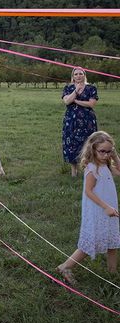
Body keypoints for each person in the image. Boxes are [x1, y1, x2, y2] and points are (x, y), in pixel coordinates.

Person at [57, 131, 120, 285]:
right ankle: (65, 266)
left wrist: (115, 157)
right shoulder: (92, 168)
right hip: (99, 209)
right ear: (93, 149)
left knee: (113, 240)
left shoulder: (106, 164)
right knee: (92, 240)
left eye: (109, 151)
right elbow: (88, 191)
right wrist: (106, 207)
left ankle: (113, 273)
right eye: (102, 151)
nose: (106, 154)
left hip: (109, 208)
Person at [62, 67, 98, 178]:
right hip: (71, 121)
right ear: (73, 76)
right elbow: (67, 101)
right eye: (76, 74)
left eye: (80, 73)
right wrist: (75, 91)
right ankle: (74, 171)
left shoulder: (91, 88)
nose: (78, 76)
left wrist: (76, 101)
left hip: (87, 121)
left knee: (88, 144)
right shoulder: (68, 88)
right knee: (72, 144)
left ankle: (89, 170)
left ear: (84, 75)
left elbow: (91, 104)